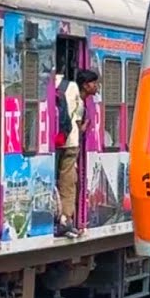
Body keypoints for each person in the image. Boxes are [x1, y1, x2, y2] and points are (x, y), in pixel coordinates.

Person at [54, 69, 100, 238]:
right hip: (69, 143)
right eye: (94, 83)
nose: (96, 86)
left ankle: (63, 217)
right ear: (85, 85)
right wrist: (85, 125)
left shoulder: (69, 91)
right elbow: (74, 124)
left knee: (64, 180)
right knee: (69, 182)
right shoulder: (74, 93)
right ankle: (65, 220)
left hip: (61, 141)